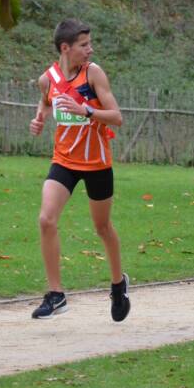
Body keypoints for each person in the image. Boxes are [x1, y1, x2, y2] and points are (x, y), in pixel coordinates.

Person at [28, 18, 130, 322]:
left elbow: (117, 117)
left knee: (102, 228)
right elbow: (46, 104)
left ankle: (117, 284)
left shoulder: (93, 73)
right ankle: (56, 295)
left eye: (90, 44)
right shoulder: (47, 79)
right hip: (64, 161)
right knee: (46, 219)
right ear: (66, 48)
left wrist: (87, 109)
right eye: (84, 45)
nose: (90, 49)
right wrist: (39, 120)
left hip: (97, 163)